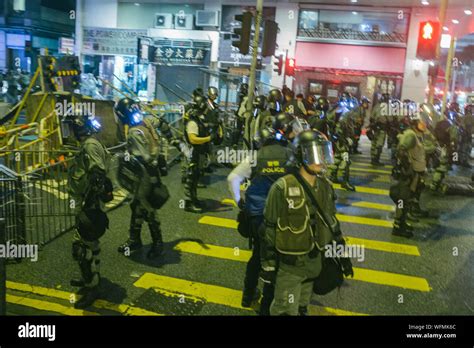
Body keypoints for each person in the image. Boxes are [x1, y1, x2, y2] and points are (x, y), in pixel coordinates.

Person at [260, 130, 353, 315]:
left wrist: (342, 255)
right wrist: (268, 265)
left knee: (302, 307)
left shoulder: (325, 186)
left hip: (314, 263)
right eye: (314, 154)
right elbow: (268, 228)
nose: (321, 160)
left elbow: (332, 222)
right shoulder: (282, 187)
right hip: (290, 267)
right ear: (301, 156)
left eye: (322, 153)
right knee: (285, 310)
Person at [227, 115, 294, 315]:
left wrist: (240, 202)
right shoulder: (291, 155)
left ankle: (247, 296)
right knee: (277, 260)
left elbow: (232, 179)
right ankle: (267, 304)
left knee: (257, 255)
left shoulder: (256, 157)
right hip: (283, 217)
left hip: (257, 216)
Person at [68, 111, 113, 309]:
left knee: (80, 247)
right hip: (89, 201)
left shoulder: (89, 145)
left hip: (88, 203)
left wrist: (89, 204)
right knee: (92, 244)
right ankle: (93, 278)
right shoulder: (92, 142)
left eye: (72, 128)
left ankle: (92, 287)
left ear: (79, 128)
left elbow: (97, 174)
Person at [114, 98, 167, 258]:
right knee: (137, 207)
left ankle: (158, 243)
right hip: (152, 172)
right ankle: (134, 239)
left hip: (144, 175)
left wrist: (127, 158)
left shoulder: (133, 132)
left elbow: (142, 157)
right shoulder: (146, 122)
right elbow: (162, 124)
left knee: (148, 209)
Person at [390, 114, 428, 238]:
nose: (424, 125)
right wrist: (406, 168)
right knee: (402, 199)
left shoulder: (418, 136)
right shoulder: (410, 135)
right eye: (421, 122)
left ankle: (402, 223)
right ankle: (397, 226)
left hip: (414, 174)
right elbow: (401, 151)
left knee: (407, 199)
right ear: (415, 123)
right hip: (407, 174)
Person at [183, 95, 217, 213]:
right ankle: (188, 203)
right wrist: (208, 138)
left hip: (199, 152)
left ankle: (194, 199)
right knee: (191, 178)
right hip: (193, 153)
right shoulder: (192, 121)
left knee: (196, 176)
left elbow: (204, 126)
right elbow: (193, 139)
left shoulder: (199, 119)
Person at [328, 112, 356, 191]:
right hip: (341, 144)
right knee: (345, 161)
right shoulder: (342, 119)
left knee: (336, 159)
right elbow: (337, 133)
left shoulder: (343, 117)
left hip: (339, 144)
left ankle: (331, 177)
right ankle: (345, 181)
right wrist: (345, 140)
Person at [368, 93, 390, 166]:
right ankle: (376, 160)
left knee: (374, 143)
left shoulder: (376, 106)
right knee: (379, 144)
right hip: (382, 129)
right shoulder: (388, 108)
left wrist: (372, 127)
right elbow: (391, 119)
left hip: (375, 128)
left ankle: (372, 158)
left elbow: (371, 118)